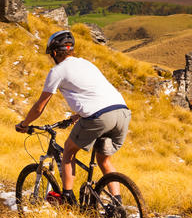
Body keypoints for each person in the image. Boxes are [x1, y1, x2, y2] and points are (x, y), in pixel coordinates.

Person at [15, 30, 131, 205]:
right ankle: (117, 206)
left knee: (68, 152)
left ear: (54, 53)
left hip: (98, 117)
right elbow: (96, 92)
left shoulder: (57, 71)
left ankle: (67, 197)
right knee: (104, 160)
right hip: (122, 112)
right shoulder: (87, 64)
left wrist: (24, 124)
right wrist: (77, 115)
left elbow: (40, 106)